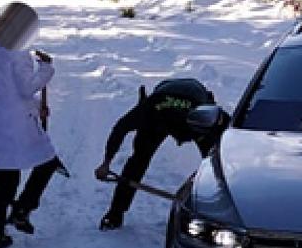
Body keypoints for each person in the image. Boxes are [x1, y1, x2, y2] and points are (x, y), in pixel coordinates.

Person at [0, 2, 61, 248]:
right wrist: (46, 70)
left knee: (6, 179)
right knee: (47, 163)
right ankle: (22, 209)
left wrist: (37, 107)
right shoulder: (18, 53)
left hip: (1, 119)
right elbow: (25, 88)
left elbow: (11, 93)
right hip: (18, 125)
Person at [94, 78, 227, 230]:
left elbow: (227, 129)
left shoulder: (203, 115)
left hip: (194, 108)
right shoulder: (148, 111)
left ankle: (219, 213)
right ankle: (115, 214)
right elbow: (120, 128)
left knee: (213, 165)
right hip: (160, 116)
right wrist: (106, 162)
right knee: (138, 161)